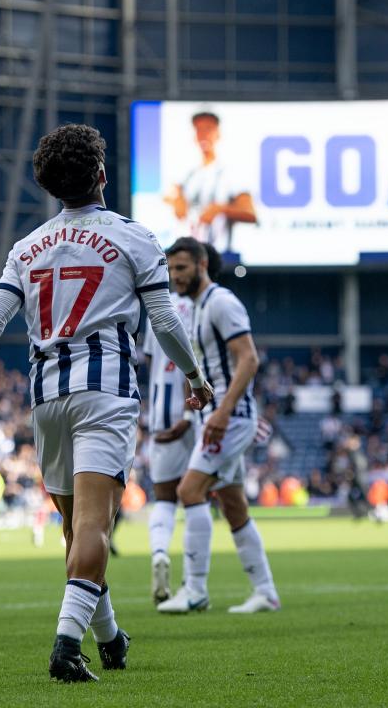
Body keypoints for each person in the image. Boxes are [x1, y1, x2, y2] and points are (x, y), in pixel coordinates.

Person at [0, 124, 212, 682]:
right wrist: (196, 376)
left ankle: (108, 636)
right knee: (95, 524)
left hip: (46, 395)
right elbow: (162, 319)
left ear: (51, 186)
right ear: (102, 176)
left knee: (73, 529)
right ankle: (66, 645)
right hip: (104, 386)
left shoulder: (27, 247)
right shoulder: (135, 237)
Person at [157, 237, 280, 615]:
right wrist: (190, 412)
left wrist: (222, 412)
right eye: (171, 269)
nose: (174, 276)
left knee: (190, 489)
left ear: (201, 264)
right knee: (233, 504)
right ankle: (265, 592)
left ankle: (195, 589)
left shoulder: (222, 303)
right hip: (214, 416)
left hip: (232, 419)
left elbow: (248, 359)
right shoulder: (194, 309)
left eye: (181, 268)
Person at [144, 241, 223, 604]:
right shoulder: (203, 307)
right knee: (196, 496)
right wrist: (190, 415)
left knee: (164, 497)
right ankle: (196, 583)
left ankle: (160, 553)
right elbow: (197, 362)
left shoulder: (157, 308)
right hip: (199, 411)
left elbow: (152, 361)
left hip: (163, 416)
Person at [163, 111, 257, 255]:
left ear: (218, 133)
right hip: (187, 255)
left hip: (219, 256)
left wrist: (221, 209)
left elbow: (250, 213)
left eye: (208, 129)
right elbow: (169, 200)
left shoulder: (230, 172)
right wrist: (177, 201)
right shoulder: (188, 174)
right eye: (199, 130)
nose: (203, 134)